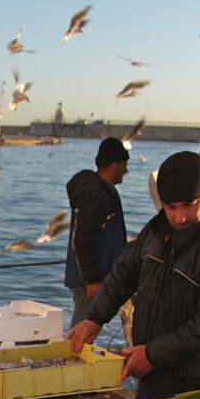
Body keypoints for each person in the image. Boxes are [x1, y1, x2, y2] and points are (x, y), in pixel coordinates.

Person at [67, 151, 200, 399]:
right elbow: (124, 272)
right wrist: (95, 318)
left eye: (190, 205)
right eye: (171, 207)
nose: (180, 217)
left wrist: (153, 355)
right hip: (154, 374)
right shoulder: (157, 231)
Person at [64, 137, 128, 327]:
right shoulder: (96, 196)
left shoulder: (103, 192)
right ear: (114, 166)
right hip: (88, 280)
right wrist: (92, 279)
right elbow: (82, 239)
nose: (126, 170)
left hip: (94, 276)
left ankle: (76, 355)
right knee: (82, 327)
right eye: (125, 165)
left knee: (88, 325)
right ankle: (72, 357)